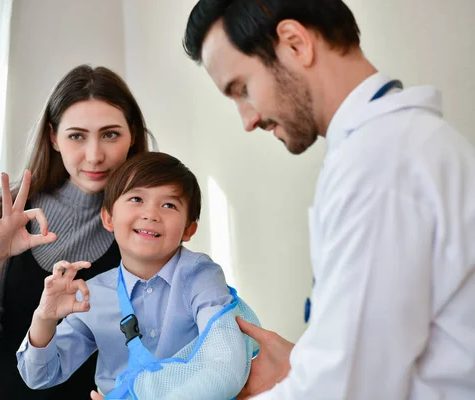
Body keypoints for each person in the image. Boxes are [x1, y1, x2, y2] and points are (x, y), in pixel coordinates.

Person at [183, 0, 475, 399]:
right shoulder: (403, 143)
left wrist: (313, 372)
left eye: (243, 90)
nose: (247, 119)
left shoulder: (380, 163)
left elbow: (346, 389)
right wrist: (307, 360)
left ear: (295, 43)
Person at [0, 64, 151, 399]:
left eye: (110, 134)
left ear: (133, 135)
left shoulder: (145, 223)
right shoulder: (11, 214)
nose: (94, 156)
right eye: (76, 136)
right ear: (53, 137)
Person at [16, 151, 259, 400]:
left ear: (188, 229)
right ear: (108, 218)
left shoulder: (200, 275)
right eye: (136, 199)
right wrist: (44, 317)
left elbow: (225, 368)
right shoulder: (93, 294)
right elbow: (40, 376)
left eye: (169, 205)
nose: (151, 214)